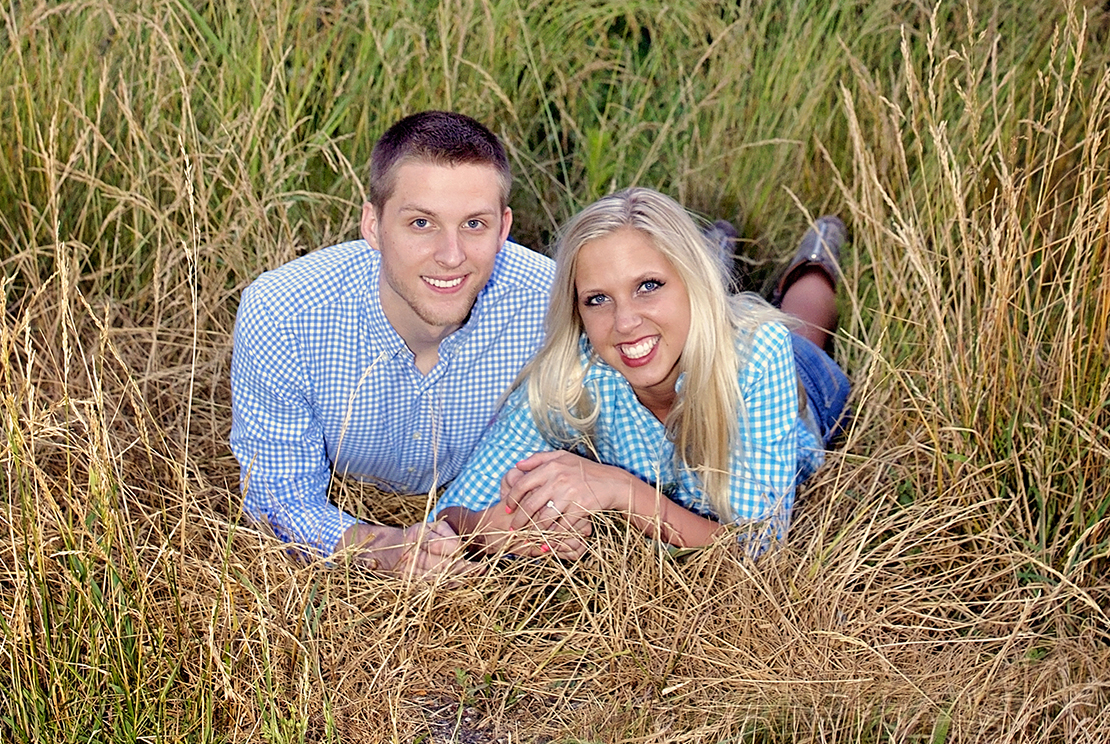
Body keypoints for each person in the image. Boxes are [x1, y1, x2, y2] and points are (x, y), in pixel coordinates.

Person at [430, 187, 852, 557]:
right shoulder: (572, 374)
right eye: (597, 299)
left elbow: (755, 550)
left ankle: (815, 263)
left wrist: (620, 490)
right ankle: (714, 249)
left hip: (801, 383)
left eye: (648, 285)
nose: (625, 321)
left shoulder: (760, 356)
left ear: (691, 282)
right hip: (685, 326)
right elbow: (449, 516)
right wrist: (491, 530)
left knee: (805, 323)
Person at [229, 110, 552, 569]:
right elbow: (277, 502)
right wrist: (389, 549)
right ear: (373, 226)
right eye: (421, 223)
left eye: (474, 224)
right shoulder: (284, 315)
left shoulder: (551, 305)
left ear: (503, 228)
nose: (451, 255)